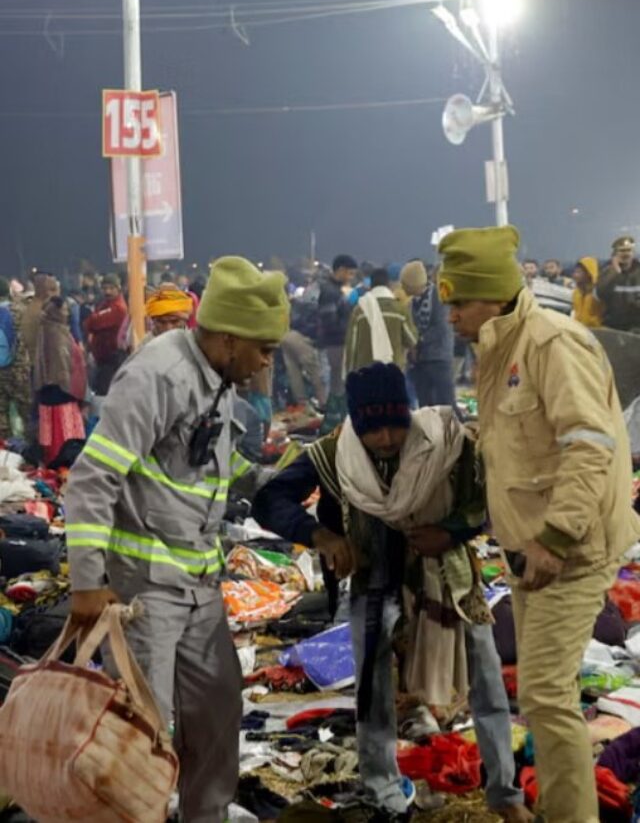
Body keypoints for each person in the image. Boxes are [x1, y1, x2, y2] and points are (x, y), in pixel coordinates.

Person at [253, 362, 530, 823]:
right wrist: (322, 537)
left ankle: (503, 791)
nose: (384, 439)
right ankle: (383, 793)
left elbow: (484, 499)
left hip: (450, 586)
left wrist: (451, 531)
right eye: (372, 429)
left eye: (394, 426)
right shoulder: (333, 455)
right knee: (373, 694)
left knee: (485, 683)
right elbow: (270, 500)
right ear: (355, 424)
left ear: (409, 414)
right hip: (375, 586)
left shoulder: (444, 442)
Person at [65, 256, 290, 823]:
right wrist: (88, 584)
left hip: (200, 585)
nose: (268, 360)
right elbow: (93, 478)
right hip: (147, 593)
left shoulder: (219, 382)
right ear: (229, 336)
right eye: (263, 348)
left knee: (216, 717)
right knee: (142, 733)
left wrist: (284, 484)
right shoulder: (158, 374)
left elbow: (208, 471)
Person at [438, 225, 640, 823]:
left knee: (548, 696)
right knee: (540, 694)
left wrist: (554, 536)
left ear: (494, 297)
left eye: (458, 301)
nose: (449, 315)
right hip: (529, 548)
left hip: (572, 547)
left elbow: (591, 444)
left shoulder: (552, 344)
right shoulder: (500, 350)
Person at [34, 296, 87, 466]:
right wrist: (74, 390)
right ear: (57, 312)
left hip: (47, 391)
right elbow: (63, 364)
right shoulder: (57, 332)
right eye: (64, 309)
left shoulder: (46, 328)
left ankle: (53, 463)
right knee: (64, 436)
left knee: (50, 434)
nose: (67, 313)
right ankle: (63, 464)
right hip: (62, 392)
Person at [401, 260, 456, 407]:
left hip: (439, 358)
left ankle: (452, 430)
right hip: (420, 361)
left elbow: (442, 327)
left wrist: (417, 341)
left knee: (446, 403)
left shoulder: (439, 297)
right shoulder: (411, 304)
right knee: (426, 405)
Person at [344, 268, 417, 374]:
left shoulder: (359, 310)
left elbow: (352, 345)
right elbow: (412, 339)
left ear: (370, 286)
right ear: (389, 284)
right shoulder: (400, 309)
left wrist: (349, 372)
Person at [317, 254, 357, 429]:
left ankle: (337, 422)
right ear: (340, 270)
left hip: (339, 343)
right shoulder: (330, 291)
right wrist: (349, 325)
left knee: (339, 383)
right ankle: (335, 423)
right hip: (336, 345)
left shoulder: (336, 290)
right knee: (337, 385)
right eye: (350, 274)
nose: (351, 278)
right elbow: (330, 322)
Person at [84, 273, 129, 395]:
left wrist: (92, 320)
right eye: (105, 288)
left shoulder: (118, 307)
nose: (107, 291)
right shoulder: (104, 304)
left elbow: (91, 323)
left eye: (111, 288)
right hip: (103, 360)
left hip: (111, 360)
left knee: (105, 395)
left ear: (118, 288)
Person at [0, 276, 31, 440]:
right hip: (20, 370)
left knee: (1, 417)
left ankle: (4, 452)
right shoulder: (20, 311)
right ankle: (31, 454)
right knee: (26, 413)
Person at [596, 236, 640, 332]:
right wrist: (615, 272)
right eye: (622, 251)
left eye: (628, 250)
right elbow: (600, 294)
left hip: (636, 327)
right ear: (615, 254)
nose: (625, 254)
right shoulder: (607, 272)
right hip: (612, 326)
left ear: (633, 253)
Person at [21, 271, 59, 368]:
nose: (56, 294)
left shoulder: (32, 307)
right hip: (42, 366)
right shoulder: (41, 311)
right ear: (43, 290)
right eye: (52, 289)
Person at [571, 257, 603, 328]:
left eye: (579, 272)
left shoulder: (598, 292)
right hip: (579, 331)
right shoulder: (576, 293)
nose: (575, 275)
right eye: (574, 272)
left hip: (597, 332)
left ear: (589, 273)